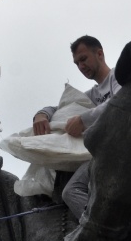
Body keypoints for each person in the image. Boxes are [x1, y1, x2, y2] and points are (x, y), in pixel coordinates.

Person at [32, 35, 122, 219]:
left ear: (99, 54)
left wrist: (83, 120)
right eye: (76, 63)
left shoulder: (118, 77)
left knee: (71, 191)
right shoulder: (92, 95)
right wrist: (42, 114)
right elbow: (60, 109)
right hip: (101, 154)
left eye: (83, 59)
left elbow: (120, 102)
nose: (81, 66)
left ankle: (103, 235)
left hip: (119, 151)